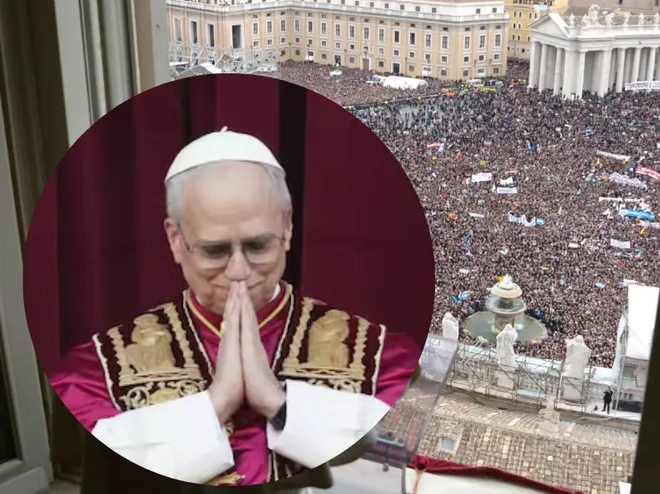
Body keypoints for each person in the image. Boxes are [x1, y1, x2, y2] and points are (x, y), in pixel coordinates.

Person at [50, 127, 421, 486]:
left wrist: (274, 400)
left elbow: (377, 443)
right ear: (176, 240)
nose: (239, 271)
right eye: (215, 251)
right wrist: (218, 401)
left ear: (287, 228)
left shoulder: (379, 352)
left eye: (258, 246)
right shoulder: (95, 369)